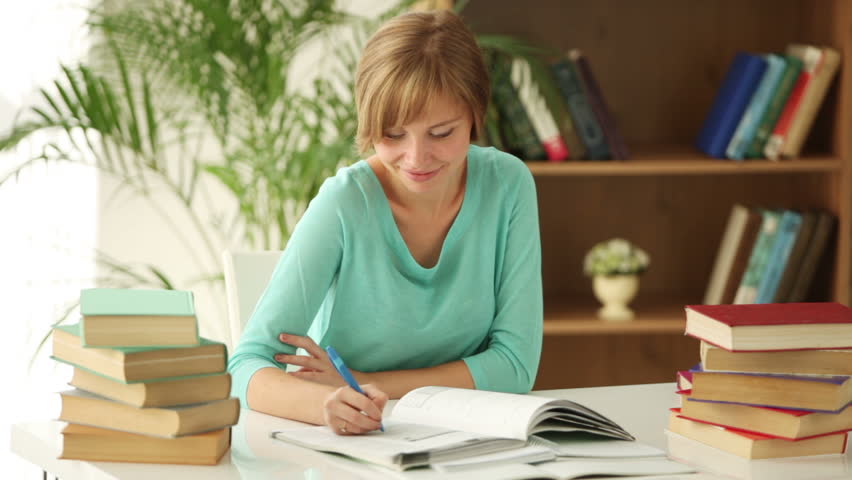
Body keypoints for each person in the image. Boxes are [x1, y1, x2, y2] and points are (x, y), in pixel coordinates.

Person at [227, 9, 542, 436]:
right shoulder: (343, 204)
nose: (415, 159)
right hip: (355, 445)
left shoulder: (508, 185)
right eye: (393, 134)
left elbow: (515, 366)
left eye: (441, 133)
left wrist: (361, 382)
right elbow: (247, 364)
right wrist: (327, 403)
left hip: (468, 439)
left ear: (474, 114)